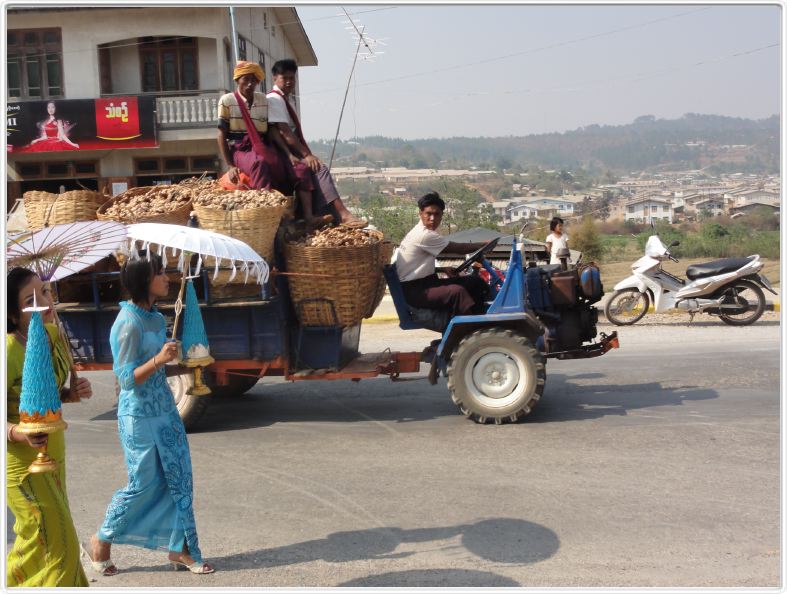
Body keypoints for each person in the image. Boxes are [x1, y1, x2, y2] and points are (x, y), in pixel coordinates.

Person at [86, 252, 214, 576]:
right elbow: (127, 379)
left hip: (166, 411)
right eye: (160, 273)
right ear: (145, 280)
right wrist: (159, 359)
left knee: (179, 478)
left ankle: (181, 548)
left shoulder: (157, 318)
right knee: (143, 483)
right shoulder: (126, 323)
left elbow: (158, 368)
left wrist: (183, 362)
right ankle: (101, 539)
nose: (167, 278)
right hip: (138, 416)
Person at [6, 267, 92, 587]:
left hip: (54, 454)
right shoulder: (9, 350)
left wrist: (70, 393)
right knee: (60, 544)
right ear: (13, 316)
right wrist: (18, 432)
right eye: (31, 299)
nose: (44, 301)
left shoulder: (54, 335)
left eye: (44, 291)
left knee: (40, 545)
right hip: (23, 465)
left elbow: (45, 395)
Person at [266, 59, 365, 227]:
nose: (289, 82)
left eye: (292, 78)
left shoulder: (286, 100)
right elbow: (284, 132)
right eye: (285, 78)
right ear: (275, 78)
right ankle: (341, 214)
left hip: (288, 149)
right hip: (280, 151)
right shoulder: (274, 99)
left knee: (316, 167)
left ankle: (333, 214)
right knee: (318, 168)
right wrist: (306, 154)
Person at [396, 192, 492, 318]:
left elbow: (415, 267)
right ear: (420, 214)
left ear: (441, 216)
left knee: (474, 282)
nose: (432, 219)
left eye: (436, 214)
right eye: (428, 214)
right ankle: (471, 330)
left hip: (425, 283)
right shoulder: (424, 235)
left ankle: (481, 317)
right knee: (457, 292)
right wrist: (484, 244)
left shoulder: (421, 232)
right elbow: (458, 248)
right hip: (416, 291)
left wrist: (442, 269)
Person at [217, 61, 296, 199]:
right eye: (245, 79)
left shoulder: (262, 99)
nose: (249, 84)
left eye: (253, 80)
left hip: (261, 146)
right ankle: (264, 200)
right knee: (259, 162)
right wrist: (230, 165)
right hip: (240, 149)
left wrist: (288, 154)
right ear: (237, 80)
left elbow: (271, 130)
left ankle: (288, 206)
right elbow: (221, 135)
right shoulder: (227, 100)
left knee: (282, 165)